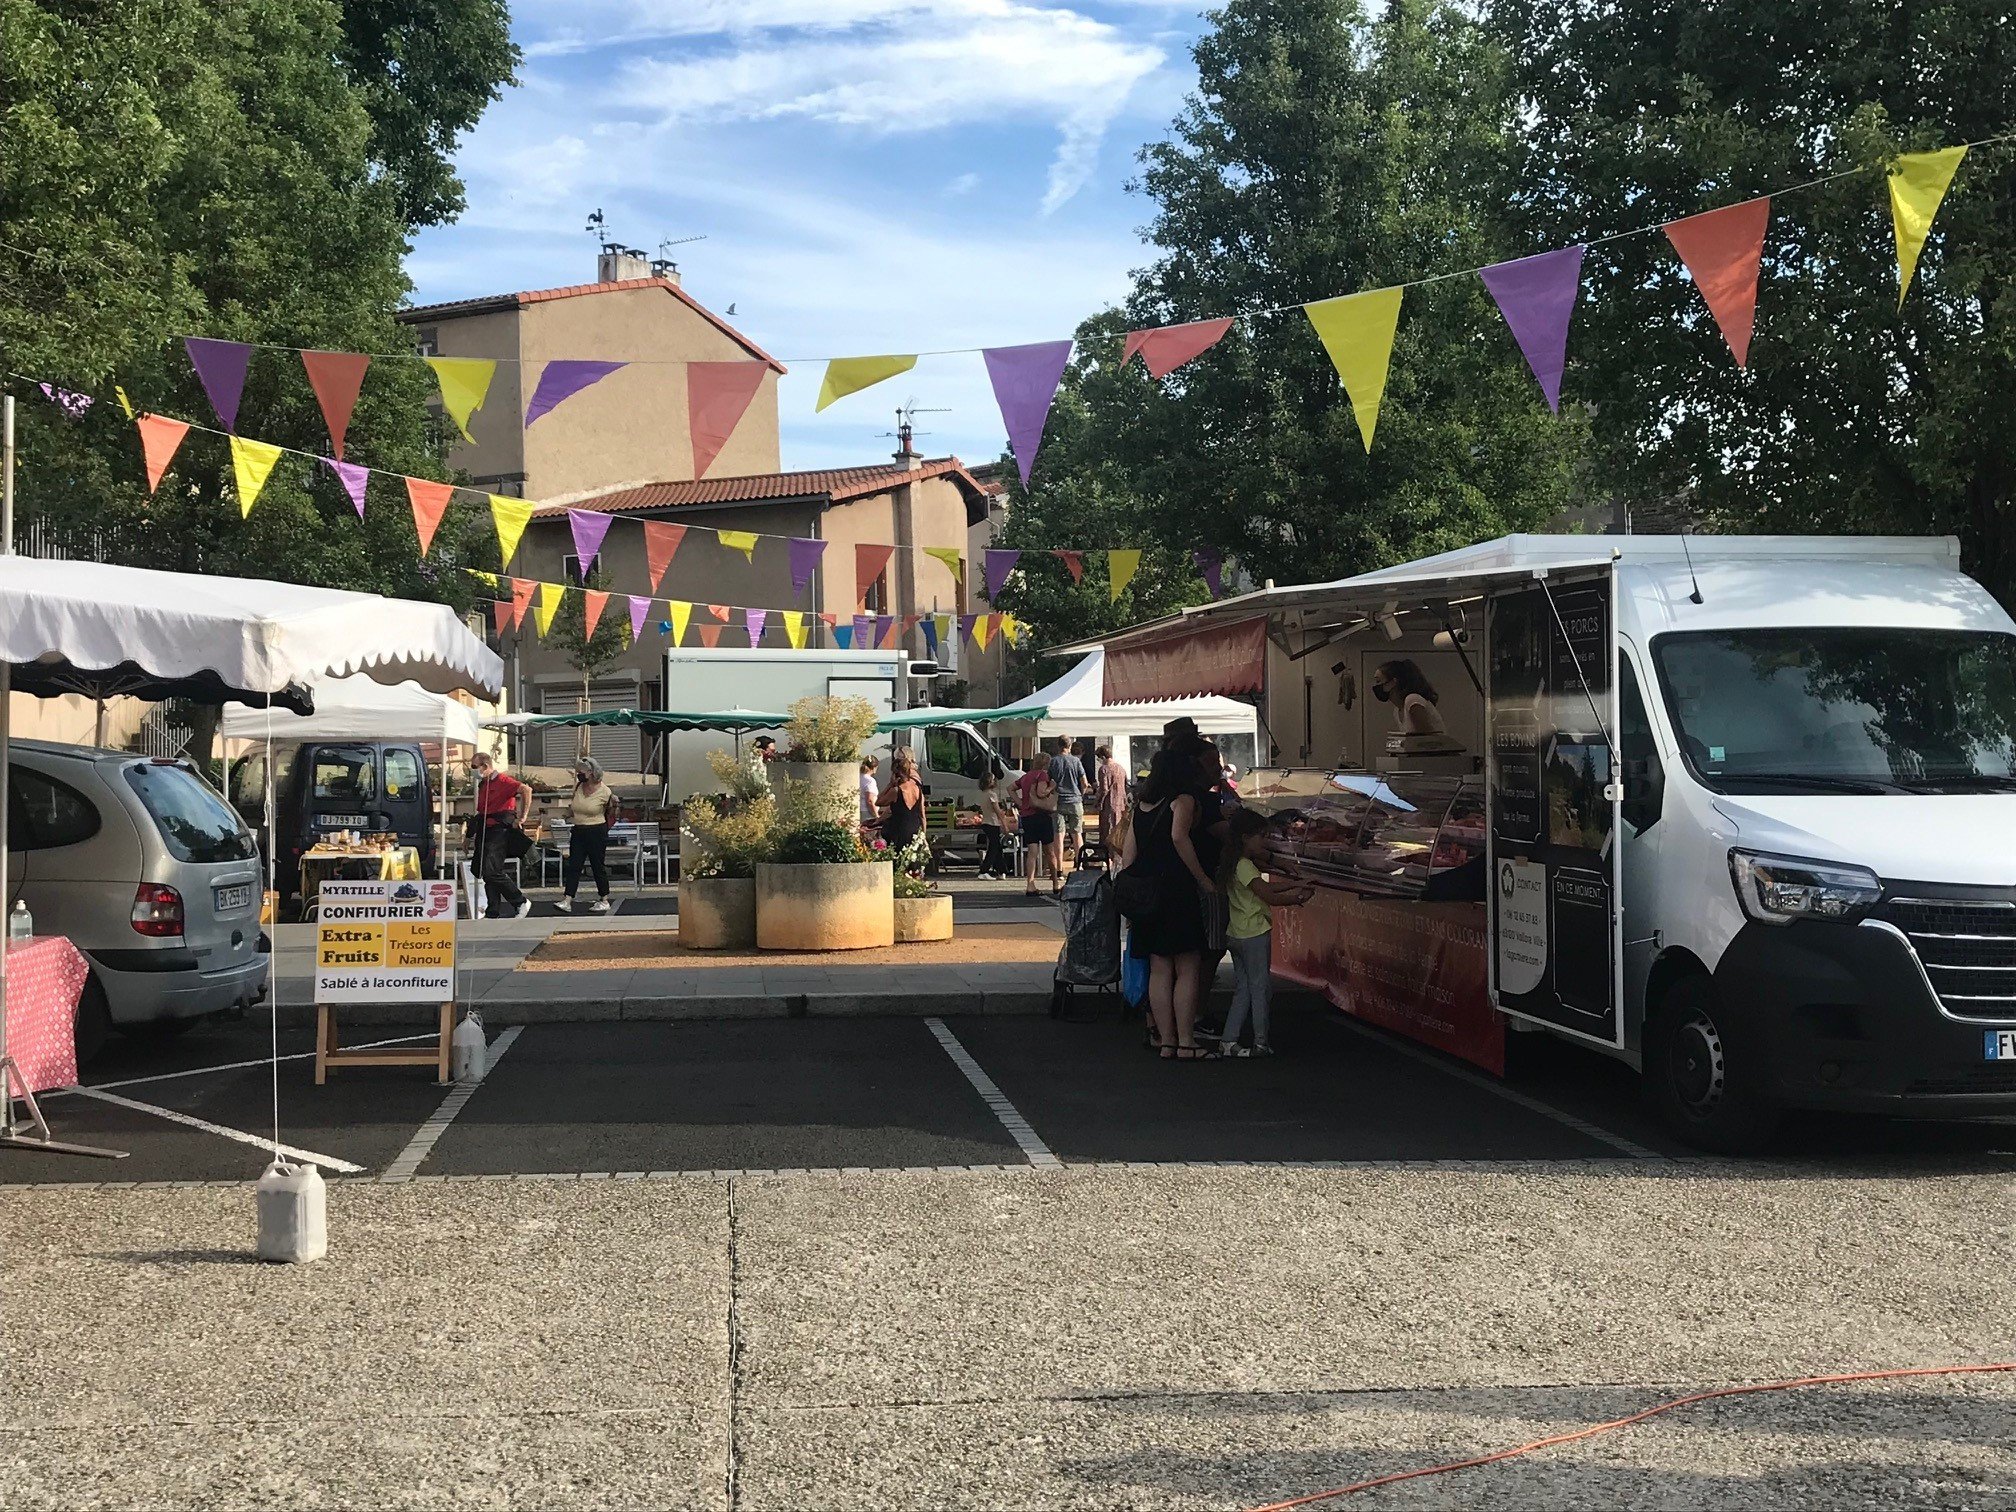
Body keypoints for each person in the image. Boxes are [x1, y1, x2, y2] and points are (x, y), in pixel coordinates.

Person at [1119, 745, 1215, 1058]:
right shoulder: (1183, 800)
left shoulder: (1143, 805)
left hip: (1148, 893)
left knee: (1159, 968)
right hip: (1176, 889)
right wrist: (1202, 878)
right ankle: (1187, 1041)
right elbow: (1178, 837)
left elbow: (1128, 854)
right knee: (1187, 967)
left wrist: (1132, 891)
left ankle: (1166, 1040)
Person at [1215, 808, 1313, 1057]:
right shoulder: (1246, 866)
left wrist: (1293, 883)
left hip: (1236, 932)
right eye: (1261, 836)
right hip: (1254, 932)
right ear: (1246, 837)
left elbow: (1262, 887)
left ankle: (1229, 1040)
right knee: (1261, 989)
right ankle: (1261, 1042)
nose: (1265, 841)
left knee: (1244, 988)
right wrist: (1298, 897)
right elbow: (1268, 895)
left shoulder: (1233, 862)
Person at [470, 751, 532, 919]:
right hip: (486, 829)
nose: (472, 770)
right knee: (484, 870)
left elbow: (526, 790)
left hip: (499, 830)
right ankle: (493, 910)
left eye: (475, 767)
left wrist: (522, 816)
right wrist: (470, 835)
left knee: (491, 871)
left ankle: (519, 901)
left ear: (485, 766)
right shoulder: (484, 784)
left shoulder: (503, 781)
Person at [555, 755, 616, 915]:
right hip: (578, 830)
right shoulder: (578, 787)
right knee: (574, 865)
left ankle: (604, 898)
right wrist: (564, 817)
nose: (578, 775)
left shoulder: (605, 791)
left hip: (596, 830)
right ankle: (567, 899)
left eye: (581, 772)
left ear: (591, 772)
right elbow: (574, 807)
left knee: (597, 866)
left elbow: (611, 811)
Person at [1013, 753, 1060, 896]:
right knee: (1049, 851)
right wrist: (1051, 787)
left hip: (1027, 816)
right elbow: (1041, 793)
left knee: (1032, 851)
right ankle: (1055, 882)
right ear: (1045, 764)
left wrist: (1020, 803)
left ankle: (1030, 883)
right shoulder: (1042, 775)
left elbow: (1010, 788)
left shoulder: (1026, 776)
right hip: (1041, 815)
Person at [1372, 659, 1447, 737]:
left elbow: (1427, 739)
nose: (1375, 686)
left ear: (1393, 682)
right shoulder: (1397, 710)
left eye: (1378, 681)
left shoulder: (1412, 700)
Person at [876, 747, 926, 853]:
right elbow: (922, 815)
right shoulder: (917, 787)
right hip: (914, 829)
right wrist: (923, 837)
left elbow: (878, 802)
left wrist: (890, 785)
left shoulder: (896, 790)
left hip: (898, 830)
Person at [1048, 738, 1088, 857]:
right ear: (1069, 746)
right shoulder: (1076, 761)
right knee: (1077, 834)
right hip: (1075, 800)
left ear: (1058, 745)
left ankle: (1059, 868)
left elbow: (1049, 781)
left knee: (1059, 834)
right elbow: (1084, 783)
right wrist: (1081, 794)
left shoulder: (1053, 761)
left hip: (1058, 800)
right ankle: (1079, 864)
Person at [1091, 743, 1128, 858]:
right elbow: (1126, 785)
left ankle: (1107, 858)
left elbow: (1104, 789)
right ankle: (1117, 859)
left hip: (1108, 805)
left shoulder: (1104, 769)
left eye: (1098, 758)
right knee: (1118, 835)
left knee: (1107, 833)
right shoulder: (1121, 768)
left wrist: (1097, 802)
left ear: (1102, 757)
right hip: (1121, 805)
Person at [975, 768, 1010, 879]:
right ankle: (984, 870)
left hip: (985, 821)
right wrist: (1005, 824)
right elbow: (997, 811)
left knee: (997, 847)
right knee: (994, 847)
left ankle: (1002, 871)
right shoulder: (992, 795)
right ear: (990, 782)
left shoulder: (982, 794)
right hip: (992, 823)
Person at [858, 755, 881, 828]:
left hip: (860, 810)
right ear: (875, 767)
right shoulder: (870, 781)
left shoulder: (858, 777)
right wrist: (876, 815)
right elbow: (870, 800)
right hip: (868, 813)